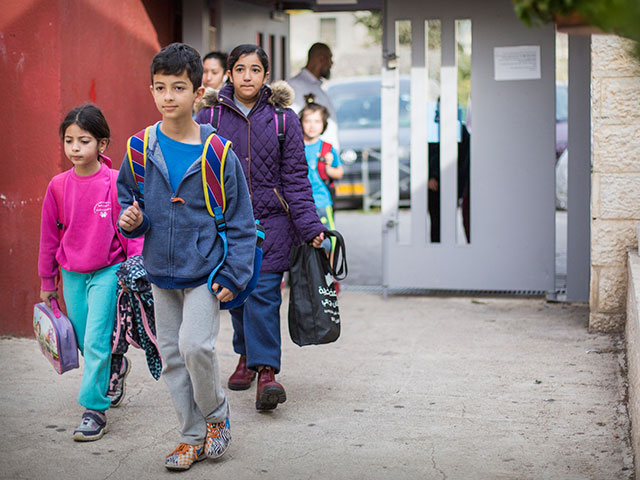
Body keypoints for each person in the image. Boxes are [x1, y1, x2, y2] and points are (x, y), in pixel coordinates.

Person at [117, 43, 256, 471]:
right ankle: (190, 436)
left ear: (199, 93)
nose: (168, 96)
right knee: (172, 357)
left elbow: (241, 221)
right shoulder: (139, 148)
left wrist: (234, 273)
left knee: (195, 346)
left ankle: (216, 417)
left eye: (179, 87)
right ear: (152, 90)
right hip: (160, 270)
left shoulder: (219, 153)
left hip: (205, 270)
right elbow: (129, 202)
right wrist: (131, 222)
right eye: (160, 87)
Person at [195, 44, 326, 411]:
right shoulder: (212, 120)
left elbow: (297, 180)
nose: (247, 76)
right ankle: (245, 356)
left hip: (272, 222)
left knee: (264, 294)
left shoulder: (285, 120)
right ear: (230, 75)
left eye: (255, 69)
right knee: (236, 295)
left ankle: (266, 372)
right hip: (226, 224)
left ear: (266, 75)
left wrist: (310, 226)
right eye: (240, 69)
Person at [38, 104, 143, 442]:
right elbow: (49, 237)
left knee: (97, 338)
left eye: (83, 141)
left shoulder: (115, 182)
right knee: (85, 341)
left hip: (108, 270)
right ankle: (116, 365)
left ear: (102, 144)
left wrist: (135, 264)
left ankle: (93, 410)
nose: (75, 148)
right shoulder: (56, 186)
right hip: (71, 274)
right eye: (69, 140)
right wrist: (46, 281)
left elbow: (132, 228)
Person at [299, 98, 343, 245]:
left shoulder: (327, 149)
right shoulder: (295, 147)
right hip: (300, 205)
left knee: (329, 243)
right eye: (308, 121)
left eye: (317, 121)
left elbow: (339, 173)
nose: (312, 126)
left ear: (324, 124)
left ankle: (328, 268)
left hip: (322, 203)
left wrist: (328, 167)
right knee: (302, 244)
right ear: (300, 122)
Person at [288, 42, 340, 149]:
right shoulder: (294, 86)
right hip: (309, 157)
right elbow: (291, 126)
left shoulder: (317, 87)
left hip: (326, 157)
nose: (331, 64)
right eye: (330, 59)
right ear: (321, 59)